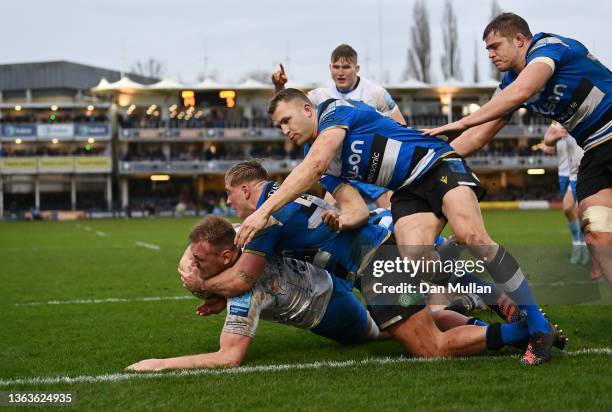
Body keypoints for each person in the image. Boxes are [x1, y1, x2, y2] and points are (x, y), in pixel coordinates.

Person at [237, 88, 561, 364]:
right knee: (415, 261)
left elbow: (315, 164)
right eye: (278, 126)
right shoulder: (317, 157)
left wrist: (262, 211)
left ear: (307, 109)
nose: (284, 130)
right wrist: (341, 218)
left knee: (472, 235)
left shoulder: (333, 112)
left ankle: (536, 324)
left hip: (434, 164)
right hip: (406, 190)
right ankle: (492, 301)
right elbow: (354, 206)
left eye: (285, 121)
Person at [126, 216, 471, 371]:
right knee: (406, 310)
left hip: (330, 309)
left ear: (227, 257)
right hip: (327, 274)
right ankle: (450, 294)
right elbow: (205, 245)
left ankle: (470, 320)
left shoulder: (247, 290)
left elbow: (227, 358)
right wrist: (208, 285)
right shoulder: (242, 236)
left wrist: (161, 364)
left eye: (200, 260)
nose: (195, 265)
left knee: (390, 328)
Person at [424, 12, 611, 285]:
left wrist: (462, 121)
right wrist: (430, 159)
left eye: (495, 46)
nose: (490, 54)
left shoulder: (548, 48)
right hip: (594, 148)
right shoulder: (509, 85)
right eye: (487, 49)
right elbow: (477, 137)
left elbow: (524, 90)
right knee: (597, 234)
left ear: (520, 40)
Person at [272, 44, 402, 208]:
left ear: (357, 68)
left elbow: (399, 126)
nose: (340, 72)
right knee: (329, 209)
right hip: (338, 168)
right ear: (330, 68)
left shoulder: (377, 93)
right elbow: (290, 111)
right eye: (336, 66)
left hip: (369, 163)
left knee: (389, 208)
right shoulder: (319, 96)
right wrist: (279, 87)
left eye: (346, 67)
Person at [543, 122, 590, 266]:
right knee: (572, 211)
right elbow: (547, 144)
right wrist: (558, 136)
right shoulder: (558, 121)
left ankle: (581, 245)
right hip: (564, 173)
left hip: (579, 172)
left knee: (569, 207)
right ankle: (579, 243)